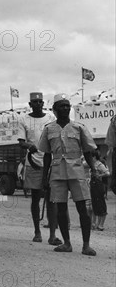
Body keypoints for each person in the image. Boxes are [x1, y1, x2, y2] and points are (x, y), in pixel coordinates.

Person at [38, 93, 98, 256]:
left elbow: (87, 151)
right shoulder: (49, 129)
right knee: (61, 209)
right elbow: (47, 154)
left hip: (77, 170)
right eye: (61, 106)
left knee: (82, 209)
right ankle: (67, 243)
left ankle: (86, 245)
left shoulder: (79, 127)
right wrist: (44, 178)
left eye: (67, 105)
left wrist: (94, 169)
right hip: (57, 172)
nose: (65, 108)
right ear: (54, 110)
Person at [17, 92, 61, 245]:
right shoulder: (23, 119)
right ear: (30, 104)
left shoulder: (50, 118)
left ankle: (53, 234)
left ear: (43, 103)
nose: (38, 104)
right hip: (33, 162)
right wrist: (30, 146)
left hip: (50, 162)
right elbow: (21, 142)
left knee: (52, 199)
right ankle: (37, 231)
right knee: (35, 198)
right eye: (35, 102)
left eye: (40, 102)